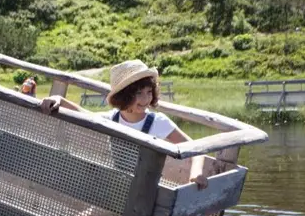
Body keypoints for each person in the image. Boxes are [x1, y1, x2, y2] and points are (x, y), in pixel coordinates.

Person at [40, 60, 208, 189]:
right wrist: (58, 100)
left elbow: (194, 147)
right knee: (84, 214)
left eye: (149, 92)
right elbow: (83, 114)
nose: (145, 99)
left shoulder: (158, 122)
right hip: (119, 188)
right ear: (124, 96)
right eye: (138, 93)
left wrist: (196, 173)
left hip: (146, 191)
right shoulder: (112, 119)